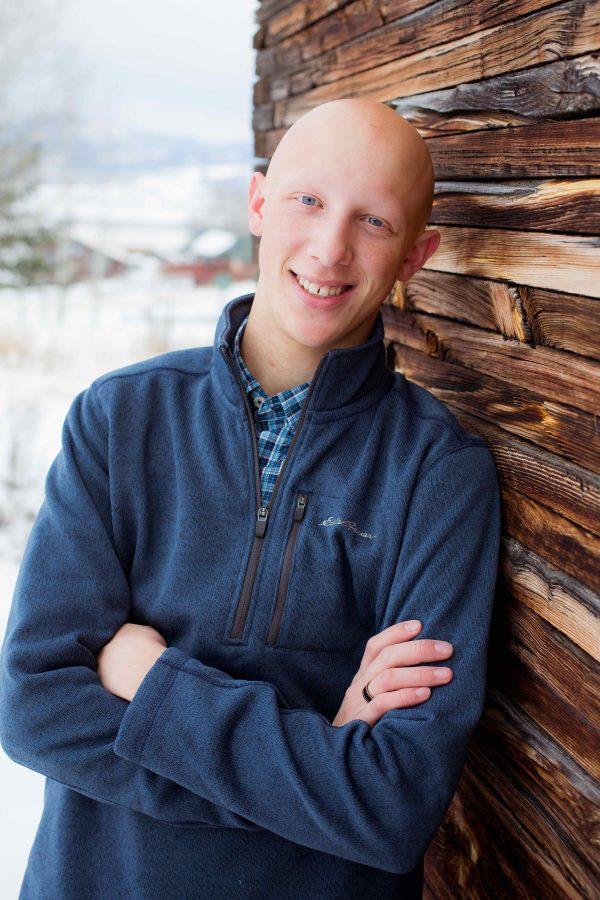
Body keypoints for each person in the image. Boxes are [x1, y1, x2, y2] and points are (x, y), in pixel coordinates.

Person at [0, 98, 501, 899]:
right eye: (308, 201)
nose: (330, 247)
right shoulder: (119, 419)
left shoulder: (439, 475)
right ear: (259, 204)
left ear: (416, 254)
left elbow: (390, 805)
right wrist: (314, 768)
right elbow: (34, 707)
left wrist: (153, 681)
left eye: (373, 220)